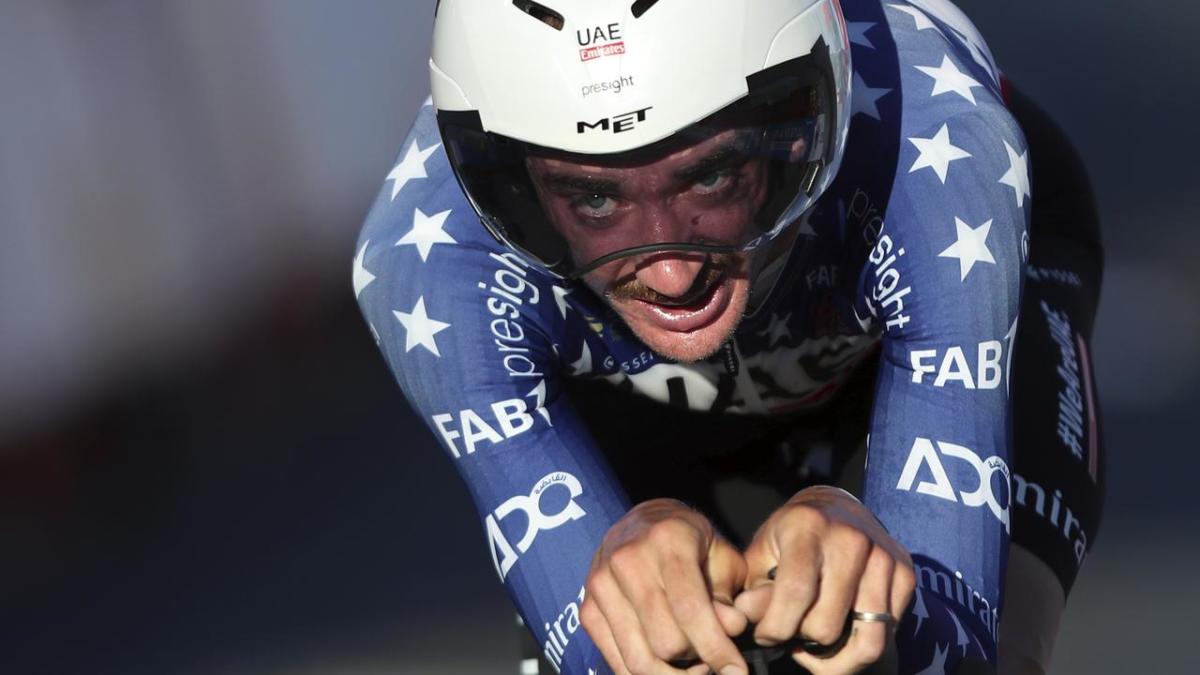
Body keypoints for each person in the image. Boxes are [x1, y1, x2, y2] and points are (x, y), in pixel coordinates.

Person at [353, 0, 1105, 673]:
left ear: (806, 112)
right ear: (508, 186)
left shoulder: (943, 164)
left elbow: (957, 643)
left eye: (711, 177)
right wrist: (633, 540)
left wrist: (881, 572)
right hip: (637, 408)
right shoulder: (435, 263)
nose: (674, 277)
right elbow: (593, 652)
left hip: (889, 349)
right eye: (590, 196)